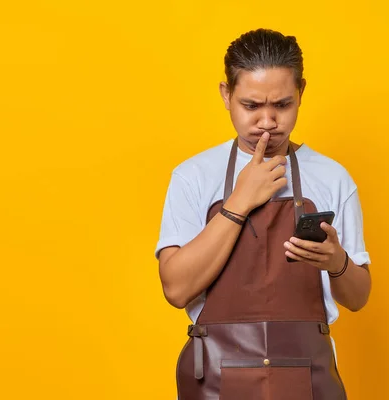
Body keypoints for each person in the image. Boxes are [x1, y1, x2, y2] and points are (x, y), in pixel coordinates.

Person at [155, 28, 371, 400]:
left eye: (283, 105)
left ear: (301, 91)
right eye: (252, 106)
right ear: (227, 95)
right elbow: (176, 288)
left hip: (309, 377)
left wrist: (337, 262)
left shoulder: (332, 177)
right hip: (215, 381)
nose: (268, 122)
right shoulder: (193, 176)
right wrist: (239, 201)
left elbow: (359, 296)